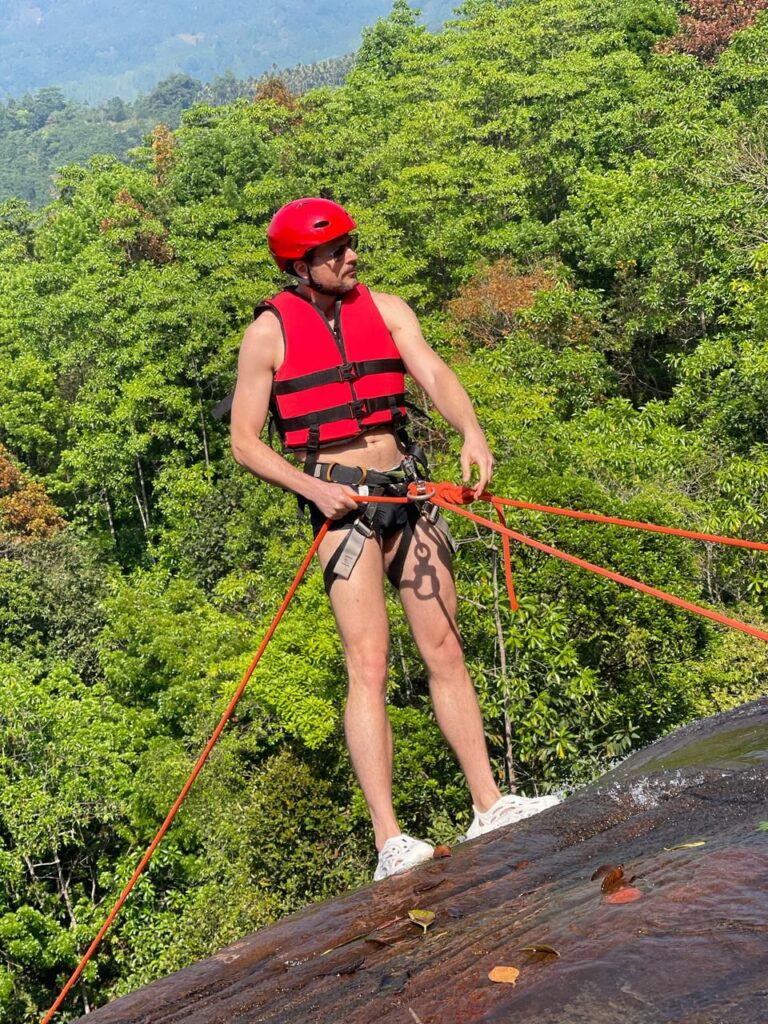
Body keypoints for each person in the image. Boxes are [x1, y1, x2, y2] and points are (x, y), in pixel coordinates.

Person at [230, 198, 558, 881]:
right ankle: (390, 841)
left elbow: (433, 372)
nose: (351, 257)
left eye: (351, 245)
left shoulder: (388, 309)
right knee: (369, 666)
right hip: (340, 512)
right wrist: (311, 488)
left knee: (444, 647)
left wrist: (470, 430)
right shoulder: (268, 334)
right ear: (300, 265)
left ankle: (489, 802)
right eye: (335, 251)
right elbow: (243, 441)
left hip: (407, 493)